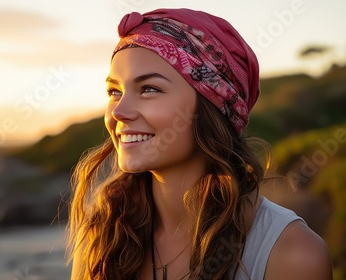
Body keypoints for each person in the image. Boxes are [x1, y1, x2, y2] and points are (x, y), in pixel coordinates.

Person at [68, 8, 332, 280]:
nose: (119, 111)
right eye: (114, 91)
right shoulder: (102, 237)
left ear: (211, 105)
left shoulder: (291, 255)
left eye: (149, 89)